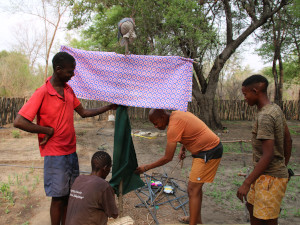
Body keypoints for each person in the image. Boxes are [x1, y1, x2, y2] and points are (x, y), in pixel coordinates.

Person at [13, 52, 117, 225]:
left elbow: (83, 113)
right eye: (70, 71)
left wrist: (108, 107)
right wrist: (46, 130)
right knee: (58, 197)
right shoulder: (43, 92)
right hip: (55, 154)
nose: (73, 74)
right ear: (58, 69)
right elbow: (19, 121)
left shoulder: (68, 90)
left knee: (70, 194)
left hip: (70, 151)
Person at [135, 109, 223, 225]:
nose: (155, 126)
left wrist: (146, 167)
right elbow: (189, 129)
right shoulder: (178, 114)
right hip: (203, 151)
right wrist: (183, 147)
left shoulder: (173, 126)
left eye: (156, 123)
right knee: (195, 189)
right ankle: (196, 219)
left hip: (209, 151)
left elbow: (167, 157)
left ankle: (194, 222)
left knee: (192, 189)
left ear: (162, 116)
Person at [237, 74, 292, 225]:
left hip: (270, 178)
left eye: (245, 94)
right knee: (251, 206)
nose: (245, 98)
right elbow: (288, 139)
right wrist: (283, 165)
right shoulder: (275, 109)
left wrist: (246, 183)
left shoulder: (266, 117)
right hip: (263, 175)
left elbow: (268, 155)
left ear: (255, 91)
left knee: (266, 218)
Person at [65, 151, 118, 225]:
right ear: (105, 168)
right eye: (109, 168)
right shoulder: (103, 185)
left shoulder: (78, 179)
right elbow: (114, 214)